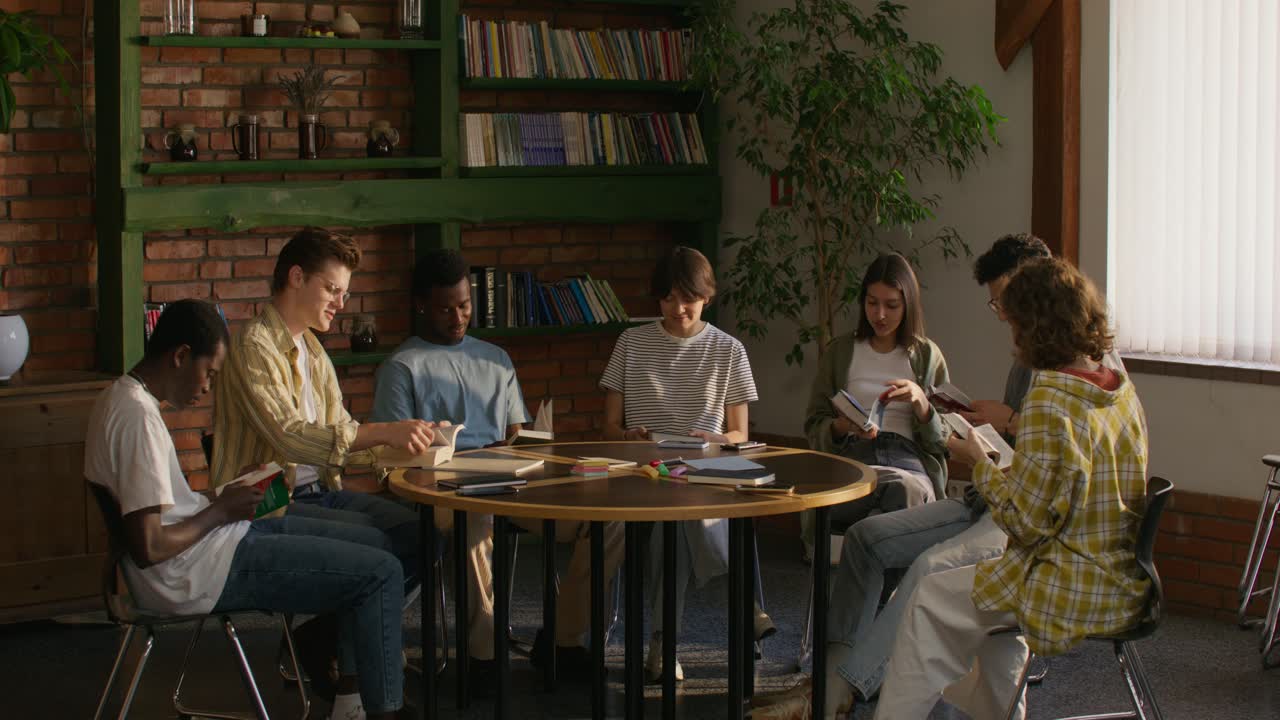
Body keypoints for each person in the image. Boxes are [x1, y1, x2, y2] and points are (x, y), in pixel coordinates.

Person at [85, 300, 412, 720]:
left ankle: (355, 700)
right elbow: (150, 544)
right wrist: (221, 510)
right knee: (381, 571)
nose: (208, 387)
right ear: (181, 356)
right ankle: (377, 709)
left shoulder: (120, 398)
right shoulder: (138, 421)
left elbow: (160, 514)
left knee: (375, 544)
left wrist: (227, 497)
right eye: (210, 373)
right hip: (194, 573)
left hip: (206, 551)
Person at [872, 258, 1151, 720]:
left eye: (1015, 323)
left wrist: (979, 462)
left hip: (1068, 581)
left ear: (1035, 326)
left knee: (929, 599)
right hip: (1121, 575)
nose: (1012, 336)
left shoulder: (1050, 398)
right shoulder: (1119, 388)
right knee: (985, 619)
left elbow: (1024, 523)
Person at [820, 233, 1053, 716]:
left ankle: (846, 688)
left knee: (926, 566)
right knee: (864, 540)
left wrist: (972, 430)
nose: (1003, 313)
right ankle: (833, 672)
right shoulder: (1026, 357)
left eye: (1005, 301)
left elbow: (1039, 482)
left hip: (1009, 513)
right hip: (984, 499)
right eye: (996, 305)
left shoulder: (1059, 370)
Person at [371, 248, 624, 685]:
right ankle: (483, 655)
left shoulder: (496, 358)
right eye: (446, 309)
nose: (458, 317)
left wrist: (526, 448)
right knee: (476, 516)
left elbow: (517, 436)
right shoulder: (402, 365)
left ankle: (562, 640)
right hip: (444, 490)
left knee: (606, 522)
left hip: (511, 482)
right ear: (422, 306)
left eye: (465, 305)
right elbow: (393, 461)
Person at [211, 227, 437, 593]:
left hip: (317, 489)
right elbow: (290, 438)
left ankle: (323, 643)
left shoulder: (314, 352)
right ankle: (334, 645)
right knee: (377, 548)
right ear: (297, 277)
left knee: (424, 534)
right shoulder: (253, 344)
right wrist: (385, 431)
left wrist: (418, 443)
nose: (341, 303)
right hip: (264, 505)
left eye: (344, 293)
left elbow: (343, 436)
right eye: (333, 290)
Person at [600, 245, 774, 682]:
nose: (678, 309)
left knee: (675, 520)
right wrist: (627, 436)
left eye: (688, 299)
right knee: (676, 508)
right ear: (657, 299)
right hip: (645, 469)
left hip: (705, 470)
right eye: (668, 299)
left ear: (707, 297)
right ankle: (744, 604)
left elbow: (740, 434)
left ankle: (662, 645)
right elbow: (608, 425)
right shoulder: (631, 343)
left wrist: (719, 439)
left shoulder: (728, 350)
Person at [802, 253, 951, 557]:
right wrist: (842, 426)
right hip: (854, 456)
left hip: (906, 457)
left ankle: (873, 585)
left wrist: (922, 404)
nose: (880, 314)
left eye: (891, 305)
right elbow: (813, 423)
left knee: (903, 487)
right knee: (889, 493)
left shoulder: (926, 356)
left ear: (908, 304)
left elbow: (946, 438)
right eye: (872, 303)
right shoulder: (841, 352)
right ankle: (889, 597)